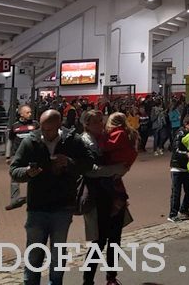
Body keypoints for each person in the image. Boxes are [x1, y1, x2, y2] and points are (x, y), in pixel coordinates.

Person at [9, 110, 92, 285]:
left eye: (49, 130)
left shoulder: (72, 141)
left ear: (59, 126)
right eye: (42, 129)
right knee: (34, 253)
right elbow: (14, 170)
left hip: (63, 206)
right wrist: (28, 172)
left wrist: (69, 163)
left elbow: (88, 164)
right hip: (37, 206)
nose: (45, 133)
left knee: (58, 254)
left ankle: (55, 282)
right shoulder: (31, 142)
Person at [80, 110, 131, 285]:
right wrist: (117, 169)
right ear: (86, 124)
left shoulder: (104, 139)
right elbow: (90, 170)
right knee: (99, 240)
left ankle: (111, 277)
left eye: (101, 121)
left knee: (115, 239)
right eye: (96, 122)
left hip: (113, 193)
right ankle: (88, 279)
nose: (101, 125)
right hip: (97, 196)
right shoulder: (84, 142)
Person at [5, 104, 39, 210]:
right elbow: (10, 140)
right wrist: (7, 156)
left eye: (30, 112)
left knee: (33, 177)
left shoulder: (35, 124)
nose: (30, 114)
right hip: (18, 155)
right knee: (14, 178)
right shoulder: (15, 126)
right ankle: (14, 200)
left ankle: (33, 200)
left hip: (32, 155)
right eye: (27, 112)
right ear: (21, 113)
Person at [168, 114, 189, 222]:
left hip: (186, 167)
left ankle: (183, 209)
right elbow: (176, 150)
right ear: (186, 124)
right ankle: (172, 214)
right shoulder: (180, 134)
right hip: (177, 167)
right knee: (176, 192)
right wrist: (187, 154)